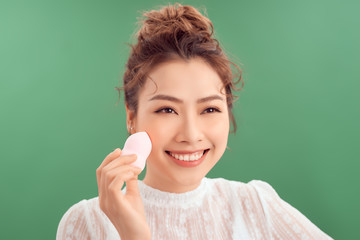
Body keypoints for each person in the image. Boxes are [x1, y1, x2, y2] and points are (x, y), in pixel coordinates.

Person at [56, 3, 333, 240]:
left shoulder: (254, 205)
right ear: (132, 118)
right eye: (167, 110)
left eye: (209, 110)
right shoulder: (86, 223)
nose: (190, 134)